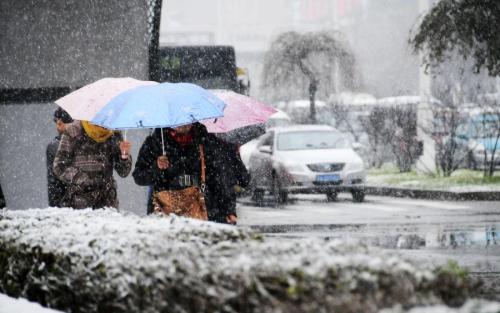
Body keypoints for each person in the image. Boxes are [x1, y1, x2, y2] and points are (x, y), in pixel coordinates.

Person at [133, 122, 238, 224]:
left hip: (200, 209)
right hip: (164, 211)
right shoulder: (154, 142)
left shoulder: (205, 140)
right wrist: (156, 167)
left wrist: (229, 209)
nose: (183, 123)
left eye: (187, 120)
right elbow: (139, 177)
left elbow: (222, 176)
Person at [53, 120, 132, 209]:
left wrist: (124, 156)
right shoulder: (74, 130)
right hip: (80, 202)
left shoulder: (114, 132)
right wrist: (84, 180)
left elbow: (124, 172)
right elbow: (59, 166)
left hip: (107, 202)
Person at [46, 107, 73, 207]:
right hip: (85, 202)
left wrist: (54, 207)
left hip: (64, 202)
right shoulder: (85, 142)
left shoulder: (54, 146)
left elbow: (53, 182)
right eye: (56, 122)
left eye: (60, 122)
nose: (57, 126)